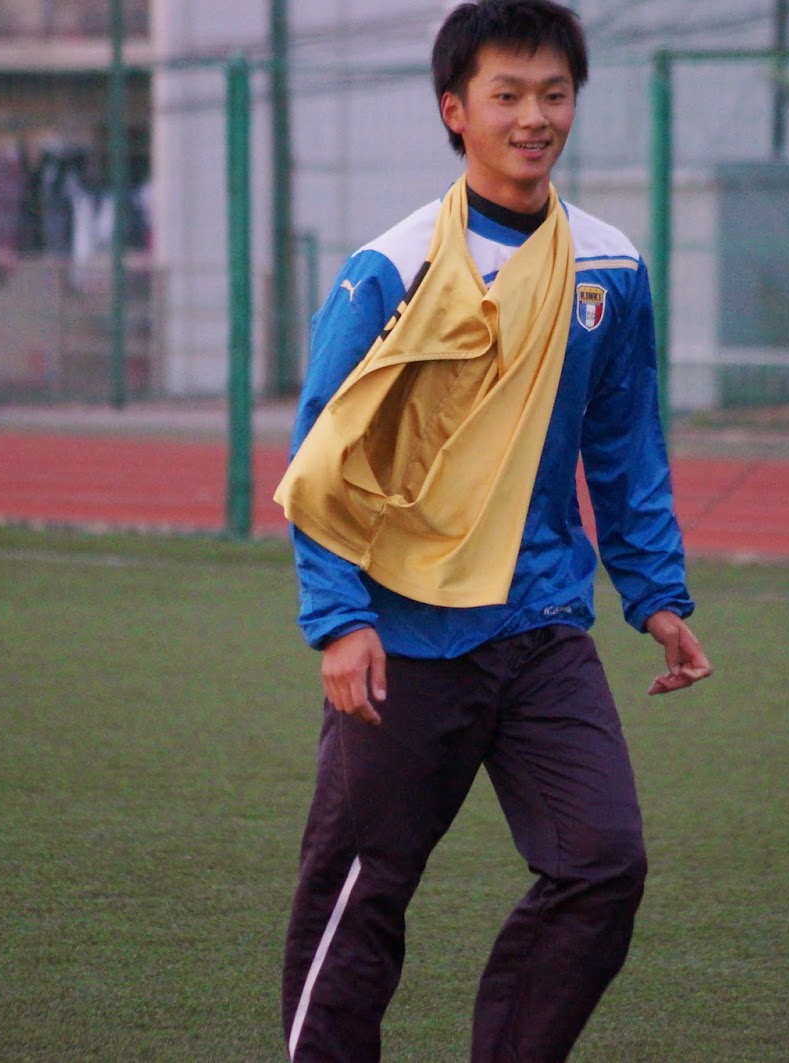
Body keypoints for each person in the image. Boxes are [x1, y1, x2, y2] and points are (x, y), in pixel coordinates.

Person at [273, 2, 712, 1059]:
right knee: (362, 891)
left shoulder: (609, 266)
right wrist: (339, 619)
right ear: (454, 111)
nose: (533, 117)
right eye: (506, 95)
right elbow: (325, 455)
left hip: (542, 625)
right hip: (404, 634)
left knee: (602, 864)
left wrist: (655, 594)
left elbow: (624, 442)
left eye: (553, 94)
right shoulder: (391, 268)